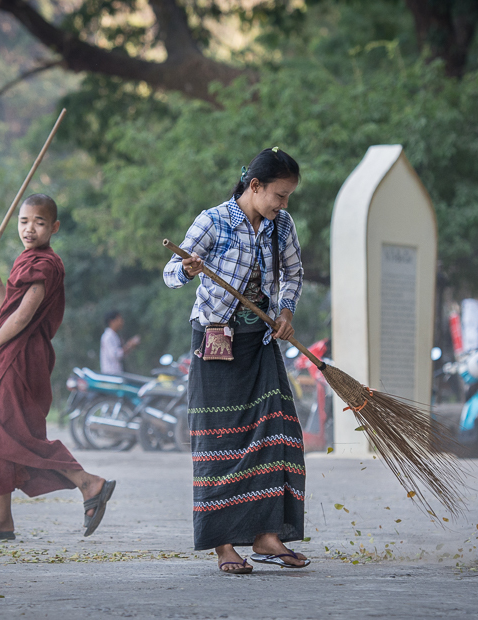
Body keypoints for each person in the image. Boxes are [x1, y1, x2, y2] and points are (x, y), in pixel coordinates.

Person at [163, 147, 310, 574]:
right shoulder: (212, 221)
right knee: (221, 440)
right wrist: (189, 269)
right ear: (255, 186)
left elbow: (294, 274)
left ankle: (267, 536)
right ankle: (223, 544)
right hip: (214, 344)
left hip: (260, 343)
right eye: (279, 195)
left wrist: (284, 312)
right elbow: (171, 273)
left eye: (288, 197)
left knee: (275, 435)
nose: (283, 205)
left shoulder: (282, 226)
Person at [0, 193, 115, 541]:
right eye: (24, 221)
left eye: (39, 222)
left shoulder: (45, 264)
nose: (30, 228)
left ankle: (88, 482)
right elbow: (9, 309)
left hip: (20, 356)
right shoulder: (25, 260)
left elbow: (24, 317)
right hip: (16, 353)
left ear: (53, 227)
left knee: (4, 432)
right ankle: (1, 517)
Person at [100, 311, 140, 375]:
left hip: (116, 373)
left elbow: (121, 355)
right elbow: (116, 355)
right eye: (119, 319)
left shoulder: (114, 335)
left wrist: (130, 347)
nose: (122, 322)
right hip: (111, 375)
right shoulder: (108, 337)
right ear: (112, 321)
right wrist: (129, 345)